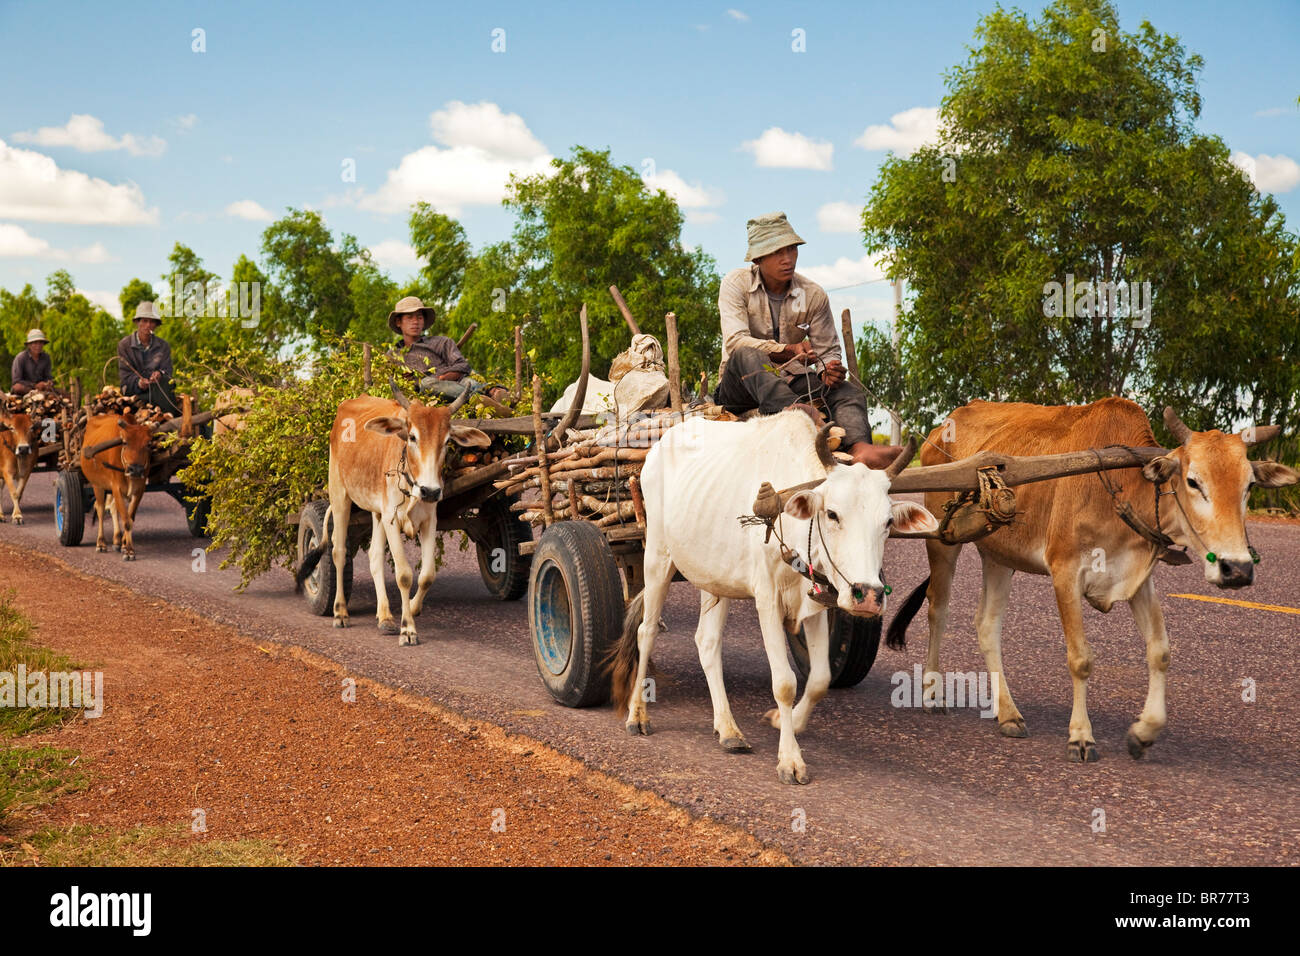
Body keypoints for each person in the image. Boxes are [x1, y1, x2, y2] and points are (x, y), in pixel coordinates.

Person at [714, 211, 902, 468]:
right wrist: (787, 350)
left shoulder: (812, 294)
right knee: (747, 354)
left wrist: (830, 369)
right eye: (777, 252)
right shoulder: (735, 284)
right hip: (741, 386)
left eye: (792, 250)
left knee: (847, 391)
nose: (787, 259)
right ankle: (802, 415)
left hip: (794, 382)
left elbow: (828, 352)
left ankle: (860, 449)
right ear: (758, 258)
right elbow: (736, 342)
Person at [388, 296, 505, 403]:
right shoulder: (393, 355)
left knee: (470, 382)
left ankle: (492, 393)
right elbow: (389, 383)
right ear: (399, 322)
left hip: (459, 382)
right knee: (426, 383)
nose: (415, 322)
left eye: (419, 317)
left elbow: (462, 365)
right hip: (431, 393)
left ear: (423, 321)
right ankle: (481, 398)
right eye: (409, 317)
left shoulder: (441, 342)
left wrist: (443, 377)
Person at [117, 301, 178, 412]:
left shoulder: (163, 346)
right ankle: (173, 414)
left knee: (167, 383)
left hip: (157, 390)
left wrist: (159, 374)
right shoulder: (124, 345)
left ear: (155, 325)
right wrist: (139, 383)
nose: (148, 325)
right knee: (161, 396)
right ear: (137, 322)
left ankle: (168, 413)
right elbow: (125, 377)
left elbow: (168, 372)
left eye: (152, 322)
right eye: (144, 321)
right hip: (135, 394)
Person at [10, 329, 54, 396]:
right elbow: (16, 380)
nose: (38, 346)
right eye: (35, 343)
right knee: (17, 387)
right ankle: (37, 393)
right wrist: (34, 385)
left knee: (61, 392)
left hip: (42, 389)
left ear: (43, 344)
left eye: (40, 343)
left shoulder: (46, 357)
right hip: (26, 389)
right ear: (29, 345)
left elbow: (48, 376)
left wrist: (48, 383)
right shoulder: (21, 358)